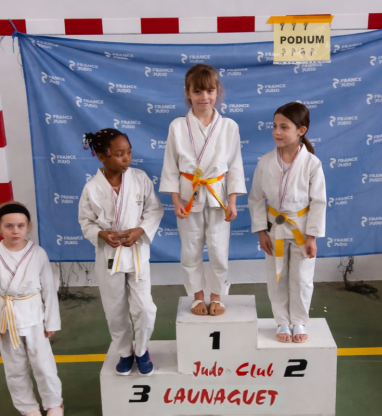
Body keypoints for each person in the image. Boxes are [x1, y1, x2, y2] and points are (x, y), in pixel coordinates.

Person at [160, 64, 246, 316]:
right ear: (187, 93)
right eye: (197, 91)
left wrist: (233, 201)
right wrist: (175, 200)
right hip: (188, 196)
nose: (204, 97)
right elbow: (170, 165)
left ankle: (217, 296)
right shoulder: (177, 126)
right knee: (190, 250)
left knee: (219, 250)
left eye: (209, 91)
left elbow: (235, 166)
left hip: (218, 197)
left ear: (218, 91)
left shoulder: (229, 126)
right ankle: (197, 296)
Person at [79, 128, 163, 376]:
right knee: (115, 309)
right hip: (109, 255)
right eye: (119, 154)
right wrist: (102, 234)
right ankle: (125, 352)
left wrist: (140, 230)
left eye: (128, 153)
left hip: (136, 252)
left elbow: (154, 210)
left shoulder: (140, 179)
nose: (126, 159)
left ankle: (142, 350)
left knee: (145, 308)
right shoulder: (91, 188)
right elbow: (86, 221)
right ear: (101, 157)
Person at [248, 102, 326, 343]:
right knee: (277, 277)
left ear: (301, 130)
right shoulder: (265, 162)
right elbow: (256, 198)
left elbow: (318, 202)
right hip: (275, 229)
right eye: (274, 126)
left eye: (284, 127)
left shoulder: (312, 163)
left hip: (301, 230)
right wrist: (261, 231)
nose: (277, 132)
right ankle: (282, 320)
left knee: (302, 279)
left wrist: (312, 236)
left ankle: (299, 321)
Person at [0, 201, 64, 416]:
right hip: (5, 319)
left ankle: (54, 404)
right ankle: (28, 408)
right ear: (0, 227)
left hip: (34, 316)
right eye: (9, 226)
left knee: (44, 365)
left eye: (20, 225)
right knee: (14, 368)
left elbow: (48, 289)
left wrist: (51, 321)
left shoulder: (38, 253)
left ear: (29, 226)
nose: (15, 231)